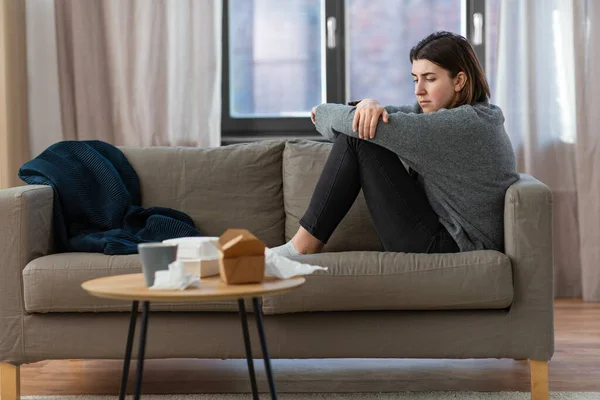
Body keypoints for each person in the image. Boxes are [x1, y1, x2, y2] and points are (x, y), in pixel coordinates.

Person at [271, 31, 519, 258]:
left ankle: (301, 247)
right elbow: (359, 121)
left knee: (360, 137)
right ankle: (302, 246)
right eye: (415, 80)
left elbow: (347, 124)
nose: (419, 91)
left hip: (452, 246)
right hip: (444, 234)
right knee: (363, 129)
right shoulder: (471, 115)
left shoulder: (462, 125)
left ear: (459, 81)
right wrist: (367, 104)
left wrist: (327, 111)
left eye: (429, 79)